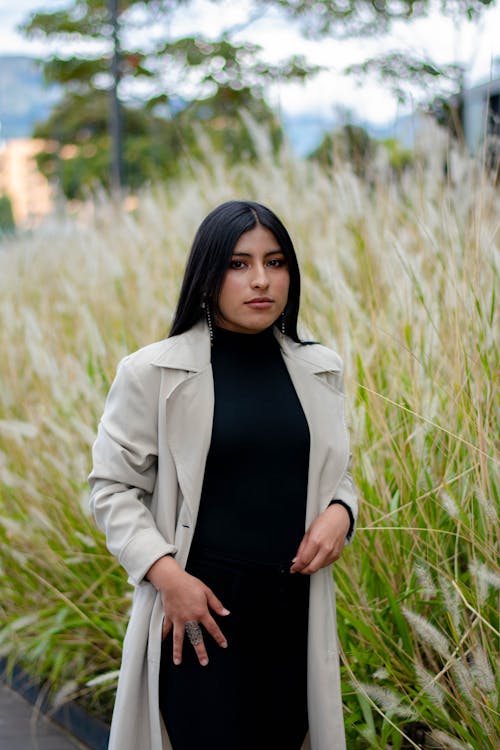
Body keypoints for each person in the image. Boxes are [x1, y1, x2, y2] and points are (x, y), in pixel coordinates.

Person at [88, 199, 358, 750]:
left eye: (275, 262)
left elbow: (335, 472)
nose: (261, 280)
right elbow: (111, 489)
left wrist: (341, 513)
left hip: (292, 619)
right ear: (207, 275)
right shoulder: (154, 372)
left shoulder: (319, 368)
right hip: (198, 618)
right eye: (239, 264)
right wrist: (167, 577)